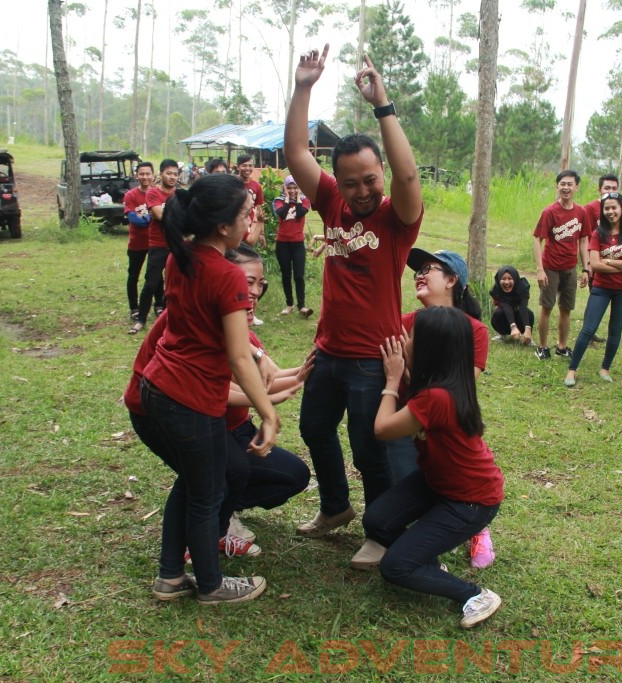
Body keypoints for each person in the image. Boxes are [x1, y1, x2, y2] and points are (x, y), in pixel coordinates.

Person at [283, 45, 423, 564]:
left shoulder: (396, 217)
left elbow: (408, 179)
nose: (362, 191)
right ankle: (335, 507)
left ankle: (381, 532)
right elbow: (297, 151)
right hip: (329, 349)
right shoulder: (330, 203)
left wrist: (382, 105)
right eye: (351, 182)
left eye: (371, 179)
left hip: (372, 355)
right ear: (336, 182)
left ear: (381, 175)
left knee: (371, 448)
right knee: (314, 429)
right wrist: (304, 87)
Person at [135, 172, 279, 605]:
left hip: (158, 386)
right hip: (190, 399)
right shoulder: (226, 275)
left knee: (193, 484)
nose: (251, 217)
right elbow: (238, 355)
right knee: (207, 493)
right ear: (222, 225)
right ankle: (212, 586)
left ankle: (170, 577)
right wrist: (268, 413)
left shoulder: (182, 257)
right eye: (245, 212)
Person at [363, 306, 504, 629]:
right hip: (438, 483)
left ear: (429, 348)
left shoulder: (437, 398)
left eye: (411, 335)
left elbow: (383, 429)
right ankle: (425, 560)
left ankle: (475, 594)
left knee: (395, 568)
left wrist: (392, 380)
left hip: (470, 501)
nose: (404, 338)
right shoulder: (442, 386)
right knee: (377, 521)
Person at [371, 248, 494, 570]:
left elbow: (456, 389)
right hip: (407, 420)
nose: (419, 274)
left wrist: (401, 375)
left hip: (436, 420)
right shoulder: (402, 322)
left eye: (431, 269)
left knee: (455, 475)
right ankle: (425, 545)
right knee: (411, 480)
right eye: (417, 270)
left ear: (452, 280)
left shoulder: (475, 331)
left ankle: (474, 525)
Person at [220, 245, 313, 548]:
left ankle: (226, 504)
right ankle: (216, 518)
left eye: (260, 284)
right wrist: (267, 404)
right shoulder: (211, 328)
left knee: (295, 475)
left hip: (239, 429)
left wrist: (300, 374)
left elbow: (263, 381)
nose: (255, 292)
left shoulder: (247, 334)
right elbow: (218, 391)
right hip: (208, 431)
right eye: (248, 282)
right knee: (235, 469)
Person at [564, 192, 622, 387]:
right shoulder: (598, 234)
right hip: (601, 288)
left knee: (615, 330)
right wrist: (617, 263)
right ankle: (572, 370)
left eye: (614, 207)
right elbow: (595, 266)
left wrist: (608, 260)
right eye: (606, 208)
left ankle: (605, 368)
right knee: (588, 329)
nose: (610, 211)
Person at [533, 170, 591, 361]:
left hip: (570, 268)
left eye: (570, 184)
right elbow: (537, 240)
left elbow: (583, 242)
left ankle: (562, 346)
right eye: (562, 184)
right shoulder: (549, 212)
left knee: (566, 308)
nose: (566, 188)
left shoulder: (581, 212)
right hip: (550, 267)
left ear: (576, 187)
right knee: (547, 306)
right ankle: (542, 347)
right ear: (557, 186)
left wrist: (585, 268)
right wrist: (540, 269)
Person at [130, 158, 180, 334]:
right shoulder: (153, 193)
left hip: (176, 244)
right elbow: (158, 215)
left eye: (175, 174)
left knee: (173, 285)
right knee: (151, 283)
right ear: (161, 174)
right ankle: (141, 319)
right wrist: (177, 215)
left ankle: (168, 319)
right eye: (169, 173)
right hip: (158, 245)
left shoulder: (179, 194)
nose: (172, 177)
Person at [123, 161, 163, 321]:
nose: (145, 177)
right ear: (136, 175)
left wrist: (149, 216)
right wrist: (151, 216)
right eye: (142, 173)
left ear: (153, 175)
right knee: (133, 275)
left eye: (148, 173)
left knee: (156, 275)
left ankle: (159, 304)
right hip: (137, 243)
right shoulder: (131, 195)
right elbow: (134, 219)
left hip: (155, 243)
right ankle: (134, 307)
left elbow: (162, 215)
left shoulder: (158, 193)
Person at [274, 175, 314, 318]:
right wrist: (286, 198)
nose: (292, 190)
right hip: (282, 243)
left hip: (298, 243)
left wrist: (297, 199)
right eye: (289, 187)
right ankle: (289, 304)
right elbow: (283, 214)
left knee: (299, 275)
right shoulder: (278, 201)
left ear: (299, 188)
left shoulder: (305, 201)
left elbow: (300, 213)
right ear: (284, 188)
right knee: (286, 274)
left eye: (295, 187)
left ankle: (302, 306)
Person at [489, 265, 533, 344]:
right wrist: (513, 327)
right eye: (503, 279)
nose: (507, 282)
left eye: (510, 278)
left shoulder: (523, 287)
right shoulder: (497, 290)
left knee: (529, 314)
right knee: (497, 313)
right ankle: (501, 334)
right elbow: (506, 306)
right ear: (499, 280)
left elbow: (523, 307)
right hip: (505, 316)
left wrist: (527, 327)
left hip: (519, 315)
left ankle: (527, 336)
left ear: (515, 278)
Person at [236, 154, 265, 248]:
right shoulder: (232, 183)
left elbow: (259, 211)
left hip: (251, 227)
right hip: (235, 226)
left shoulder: (256, 186)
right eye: (244, 165)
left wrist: (261, 233)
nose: (247, 168)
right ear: (238, 167)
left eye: (250, 165)